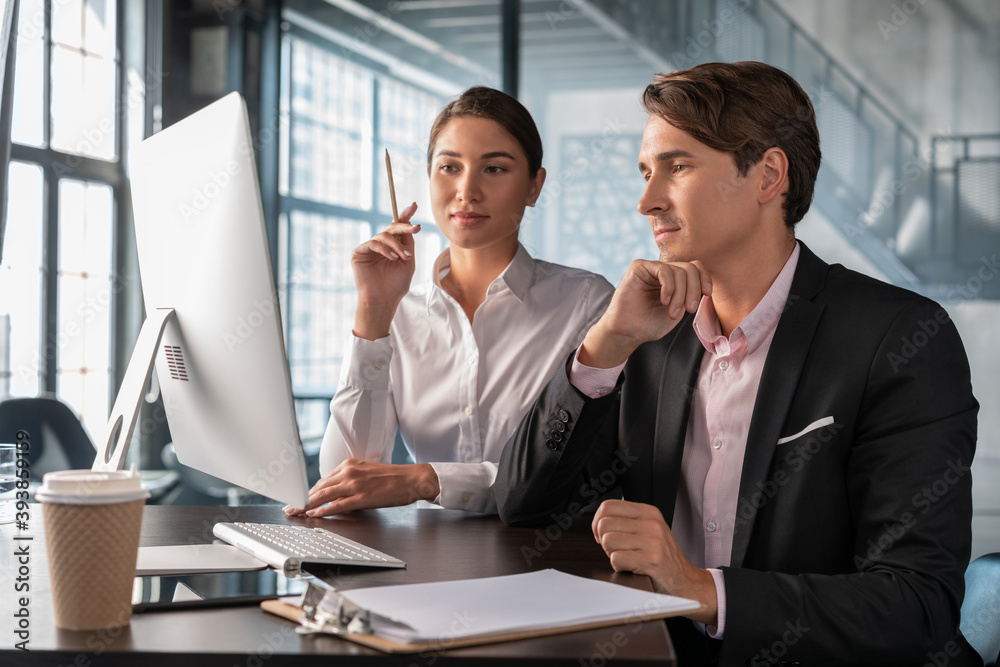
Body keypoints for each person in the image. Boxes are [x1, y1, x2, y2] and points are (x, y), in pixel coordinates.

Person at [495, 62, 980, 667]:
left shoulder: (901, 338)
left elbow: (916, 603)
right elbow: (523, 506)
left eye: (679, 166)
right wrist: (603, 347)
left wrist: (702, 591)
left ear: (768, 175)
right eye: (647, 172)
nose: (646, 200)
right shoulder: (648, 336)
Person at [288, 87, 614, 518]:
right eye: (449, 167)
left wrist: (427, 479)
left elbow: (574, 474)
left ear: (534, 186)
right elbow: (344, 480)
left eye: (494, 168)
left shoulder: (588, 303)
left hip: (547, 557)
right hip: (426, 559)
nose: (467, 191)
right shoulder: (398, 311)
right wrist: (374, 309)